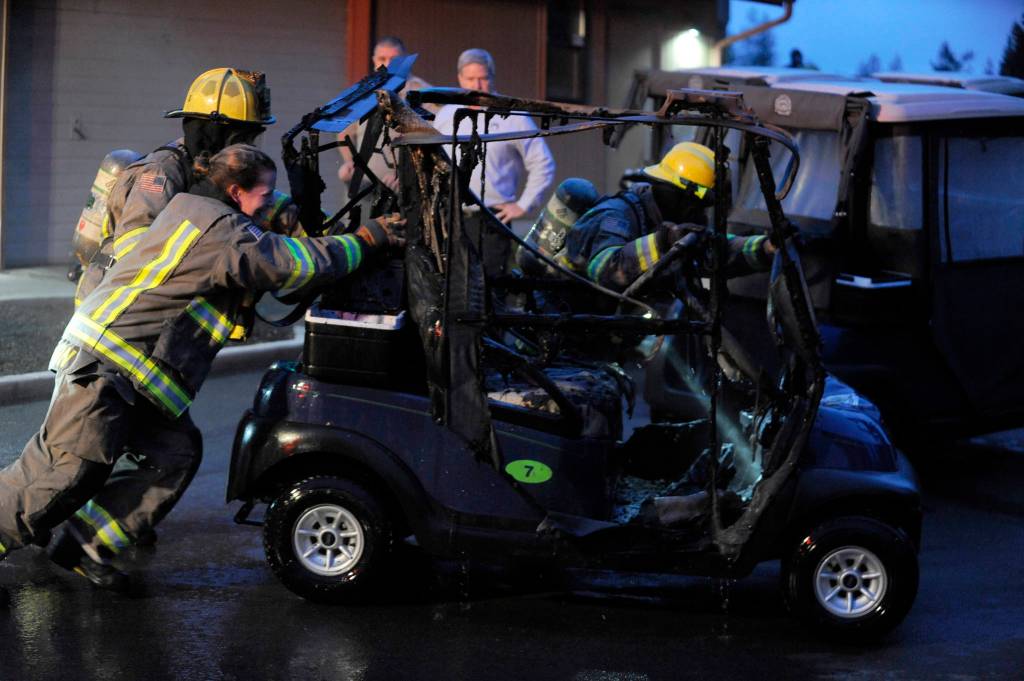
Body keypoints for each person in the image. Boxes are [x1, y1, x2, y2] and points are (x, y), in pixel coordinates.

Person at [0, 145, 401, 589]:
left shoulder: (199, 209)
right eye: (264, 196)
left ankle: (86, 542)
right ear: (235, 190)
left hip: (134, 371)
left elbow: (271, 237)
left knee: (175, 453)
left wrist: (296, 212)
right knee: (67, 468)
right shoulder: (222, 231)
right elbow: (292, 264)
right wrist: (369, 239)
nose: (269, 205)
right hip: (105, 365)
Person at [75, 67, 304, 307]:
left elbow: (273, 211)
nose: (249, 149)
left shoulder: (223, 177)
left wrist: (306, 203)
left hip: (160, 316)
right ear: (217, 133)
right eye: (244, 139)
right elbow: (136, 251)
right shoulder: (161, 172)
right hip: (112, 307)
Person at [561, 141, 774, 295]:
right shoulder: (617, 215)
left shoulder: (672, 225)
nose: (699, 213)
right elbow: (605, 270)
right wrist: (663, 242)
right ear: (677, 195)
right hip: (569, 335)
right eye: (697, 204)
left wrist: (767, 247)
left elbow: (716, 251)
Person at [433, 48, 556, 275]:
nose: (477, 85)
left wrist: (524, 204)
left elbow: (542, 163)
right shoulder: (447, 115)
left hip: (492, 219)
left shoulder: (512, 117)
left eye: (483, 78)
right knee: (452, 285)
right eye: (470, 79)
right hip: (451, 215)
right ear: (460, 79)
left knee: (490, 288)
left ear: (492, 78)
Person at [338, 36, 434, 195]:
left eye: (394, 59)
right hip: (364, 187)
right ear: (374, 61)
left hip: (406, 189)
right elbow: (344, 133)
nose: (388, 64)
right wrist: (349, 161)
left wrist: (405, 172)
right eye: (382, 59)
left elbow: (433, 141)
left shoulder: (423, 93)